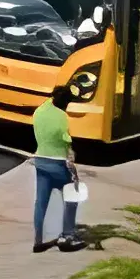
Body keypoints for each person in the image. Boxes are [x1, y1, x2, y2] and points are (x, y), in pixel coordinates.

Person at [30, 94, 81, 252]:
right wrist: (71, 153)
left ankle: (38, 241)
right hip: (58, 164)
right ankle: (67, 236)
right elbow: (66, 139)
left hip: (40, 161)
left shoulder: (39, 111)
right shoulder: (61, 116)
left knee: (41, 202)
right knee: (73, 195)